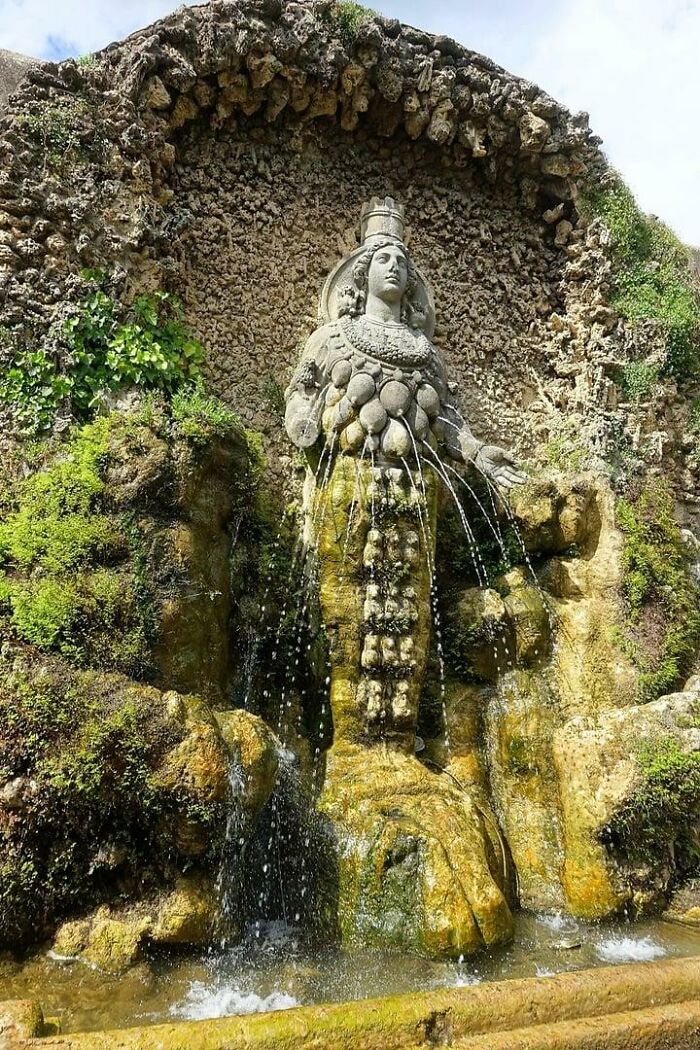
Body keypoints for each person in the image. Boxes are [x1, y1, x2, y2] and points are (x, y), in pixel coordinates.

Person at [284, 198, 526, 490]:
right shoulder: (331, 338)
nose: (394, 267)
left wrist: (477, 453)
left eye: (401, 262)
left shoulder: (426, 353)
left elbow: (446, 418)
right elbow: (302, 393)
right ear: (364, 272)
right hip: (345, 483)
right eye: (383, 260)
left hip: (415, 488)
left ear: (410, 280)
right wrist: (302, 422)